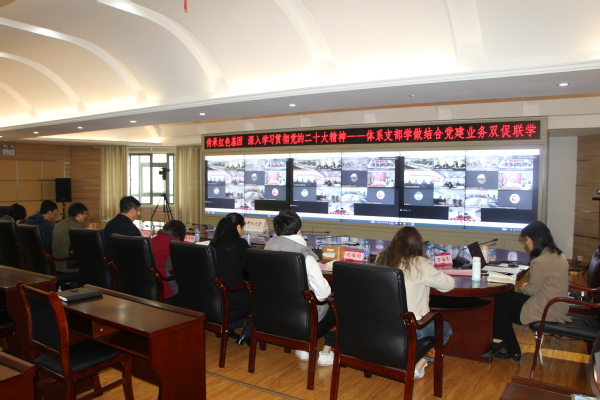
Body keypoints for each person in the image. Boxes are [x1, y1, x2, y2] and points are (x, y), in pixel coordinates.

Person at [481, 221, 570, 361]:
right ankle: (505, 346)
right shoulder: (558, 254)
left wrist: (523, 287)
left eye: (527, 240)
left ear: (535, 239)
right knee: (503, 302)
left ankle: (502, 344)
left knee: (500, 304)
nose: (526, 243)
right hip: (557, 304)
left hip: (546, 308)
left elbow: (531, 290)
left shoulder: (540, 261)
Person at [374, 226, 454, 380]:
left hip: (382, 326)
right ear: (418, 244)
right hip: (410, 328)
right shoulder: (421, 263)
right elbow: (448, 285)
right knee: (445, 328)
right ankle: (418, 366)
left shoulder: (381, 259)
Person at [263, 210, 336, 366]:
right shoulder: (306, 257)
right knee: (338, 302)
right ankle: (325, 353)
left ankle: (302, 347)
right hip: (302, 318)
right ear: (299, 230)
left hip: (271, 312)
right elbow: (323, 295)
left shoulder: (265, 250)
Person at [209, 213, 253, 345]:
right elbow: (252, 264)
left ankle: (230, 329)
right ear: (238, 227)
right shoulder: (240, 244)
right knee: (257, 295)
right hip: (232, 295)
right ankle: (247, 334)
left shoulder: (213, 243)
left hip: (215, 294)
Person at [150, 219, 185, 305]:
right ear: (180, 235)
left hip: (150, 289)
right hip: (168, 291)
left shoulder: (149, 241)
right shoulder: (176, 245)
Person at [52, 202, 88, 273]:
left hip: (55, 264)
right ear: (79, 215)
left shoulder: (59, 224)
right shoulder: (77, 228)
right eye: (84, 214)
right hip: (68, 266)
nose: (85, 216)